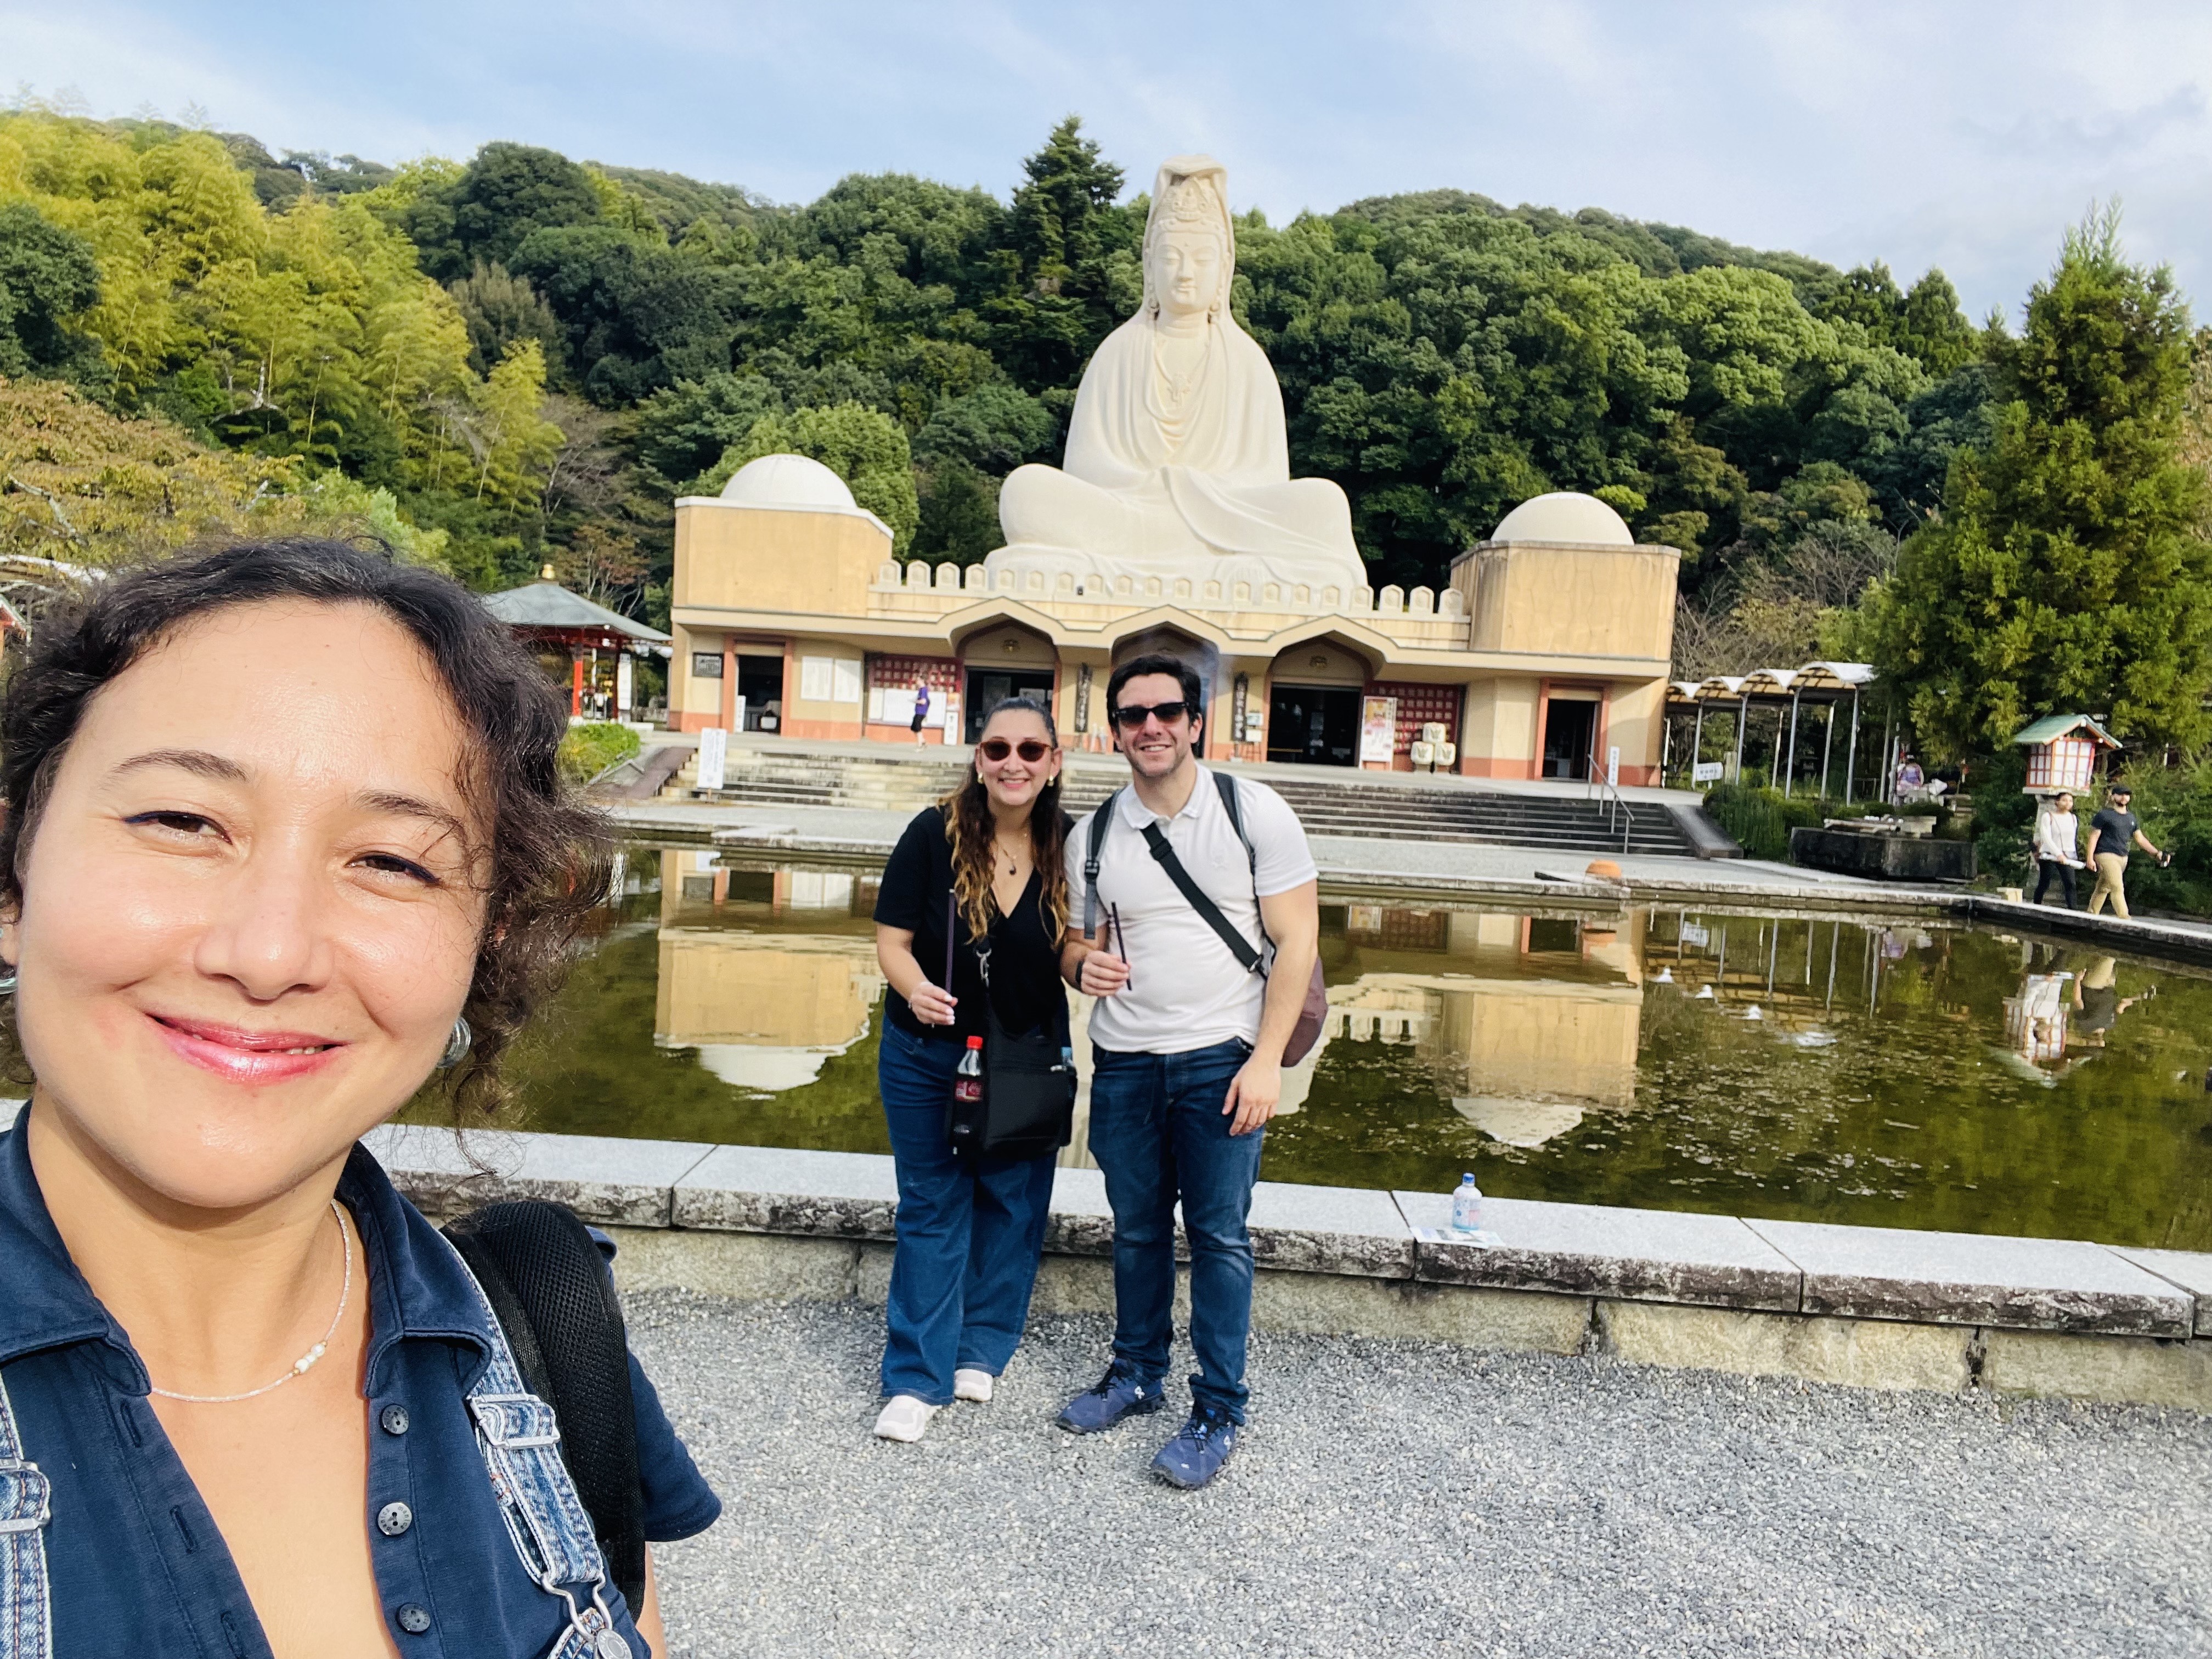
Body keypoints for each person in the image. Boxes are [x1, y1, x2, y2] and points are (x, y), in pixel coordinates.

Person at [0, 540, 719, 1656]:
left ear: (487, 943)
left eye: (392, 862)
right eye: (182, 822)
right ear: (14, 874)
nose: (271, 951)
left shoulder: (543, 1339)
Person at [1055, 653, 1320, 1490]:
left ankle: (1219, 1408)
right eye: (1133, 716)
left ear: (1196, 720)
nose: (1151, 728)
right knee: (1135, 1228)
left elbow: (1299, 943)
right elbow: (1075, 940)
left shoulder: (1252, 813)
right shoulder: (1093, 836)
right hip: (1128, 1058)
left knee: (1217, 1237)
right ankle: (1136, 1372)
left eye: (1167, 711)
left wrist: (1267, 1062)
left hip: (1223, 1058)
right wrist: (1077, 967)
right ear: (1115, 730)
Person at [870, 696, 1071, 1442]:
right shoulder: (933, 834)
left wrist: (1097, 966)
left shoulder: (1069, 847)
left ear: (1054, 763)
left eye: (1029, 751)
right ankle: (915, 1377)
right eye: (997, 750)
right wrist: (913, 984)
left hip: (1025, 1056)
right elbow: (892, 941)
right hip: (929, 1052)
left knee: (1013, 1202)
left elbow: (1075, 947)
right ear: (977, 759)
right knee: (932, 1203)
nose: (1012, 764)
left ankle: (984, 1343)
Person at [2086, 783, 2169, 917]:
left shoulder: (2131, 818)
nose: (2124, 797)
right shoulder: (2104, 815)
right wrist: (2090, 858)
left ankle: (2091, 914)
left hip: (2123, 856)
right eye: (2121, 794)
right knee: (2117, 887)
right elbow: (2094, 837)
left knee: (2104, 886)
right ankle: (2124, 917)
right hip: (2105, 854)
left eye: (2127, 795)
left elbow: (2140, 839)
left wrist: (2156, 853)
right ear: (2113, 796)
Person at [2033, 791, 2085, 908]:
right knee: (2045, 882)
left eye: (2070, 801)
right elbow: (2046, 837)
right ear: (2057, 802)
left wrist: (2072, 854)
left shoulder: (2073, 818)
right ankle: (2036, 905)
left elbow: (2072, 839)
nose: (2068, 803)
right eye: (2064, 800)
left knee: (2070, 883)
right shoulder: (2048, 816)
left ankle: (2073, 910)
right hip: (2050, 855)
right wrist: (2058, 854)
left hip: (2067, 856)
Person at [910, 678, 932, 744]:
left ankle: (920, 745)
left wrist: (915, 701)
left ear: (922, 681)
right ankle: (923, 742)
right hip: (918, 712)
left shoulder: (924, 690)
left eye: (918, 680)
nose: (917, 682)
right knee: (914, 728)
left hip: (921, 712)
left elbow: (923, 701)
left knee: (918, 728)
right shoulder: (921, 690)